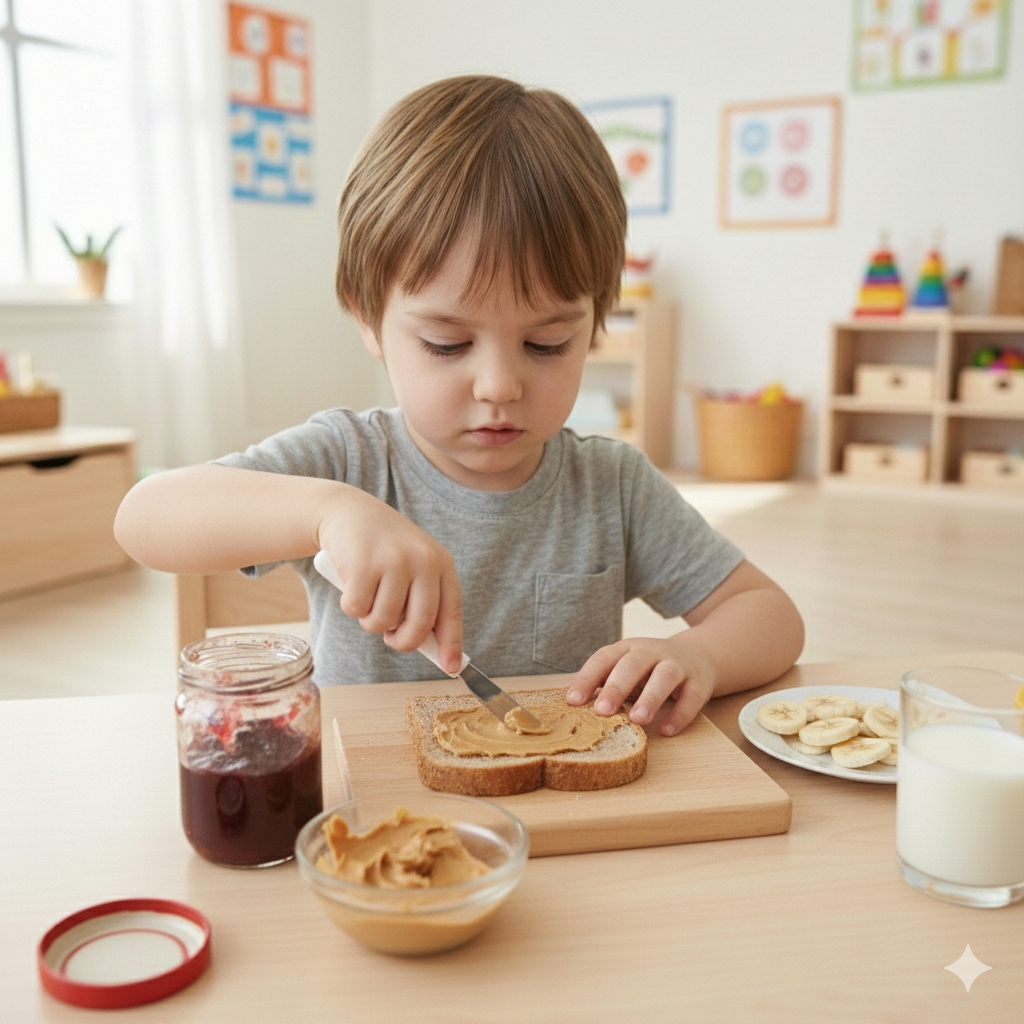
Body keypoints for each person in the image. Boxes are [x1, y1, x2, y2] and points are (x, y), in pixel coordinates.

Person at [115, 74, 804, 737]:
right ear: (367, 318)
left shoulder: (613, 489)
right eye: (447, 344)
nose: (499, 385)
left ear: (596, 324)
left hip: (562, 823)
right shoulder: (348, 461)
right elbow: (143, 516)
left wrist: (699, 656)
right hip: (374, 815)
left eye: (546, 342)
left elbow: (769, 614)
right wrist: (327, 513)